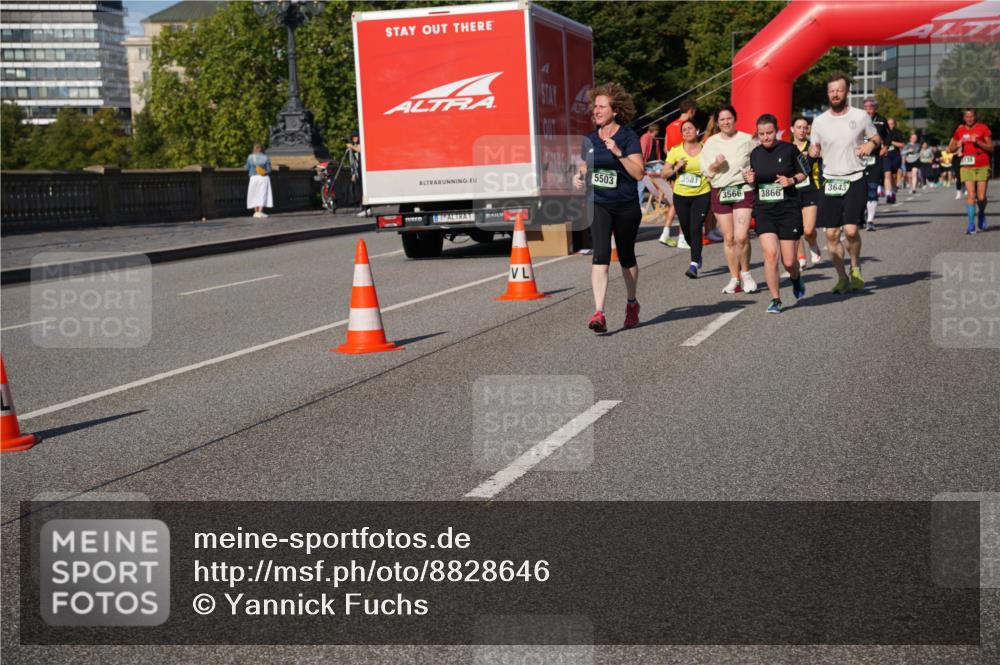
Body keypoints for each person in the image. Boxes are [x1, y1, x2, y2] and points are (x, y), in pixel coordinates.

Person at [573, 82, 645, 332]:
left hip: (626, 205)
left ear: (615, 111)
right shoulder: (590, 140)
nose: (597, 110)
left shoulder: (628, 137)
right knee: (601, 254)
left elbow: (638, 173)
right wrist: (579, 176)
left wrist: (618, 153)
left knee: (626, 257)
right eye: (595, 106)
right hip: (599, 203)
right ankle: (599, 312)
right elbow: (586, 166)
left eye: (602, 106)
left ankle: (632, 303)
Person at [808, 72, 880, 294]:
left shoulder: (860, 116)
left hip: (854, 177)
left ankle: (855, 267)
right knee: (830, 234)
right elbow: (814, 146)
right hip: (830, 180)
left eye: (839, 90)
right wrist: (813, 150)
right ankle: (841, 277)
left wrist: (870, 145)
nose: (835, 94)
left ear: (847, 91)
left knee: (850, 230)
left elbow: (876, 138)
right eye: (831, 91)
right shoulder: (819, 121)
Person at [745, 114, 810, 313]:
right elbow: (755, 181)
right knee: (770, 255)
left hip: (788, 208)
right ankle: (775, 299)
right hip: (764, 209)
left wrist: (791, 180)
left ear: (777, 131)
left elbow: (805, 170)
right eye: (762, 134)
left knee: (789, 261)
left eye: (769, 133)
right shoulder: (755, 153)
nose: (765, 137)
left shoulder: (789, 149)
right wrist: (749, 179)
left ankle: (795, 277)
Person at [701, 105, 758, 294]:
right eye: (722, 119)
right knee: (729, 238)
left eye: (729, 118)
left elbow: (758, 162)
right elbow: (705, 171)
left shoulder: (747, 139)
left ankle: (747, 274)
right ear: (717, 122)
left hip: (743, 189)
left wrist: (753, 175)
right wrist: (715, 164)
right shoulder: (710, 142)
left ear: (735, 119)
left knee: (742, 236)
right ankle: (734, 278)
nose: (726, 122)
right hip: (721, 191)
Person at [662, 118, 711, 278]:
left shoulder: (706, 149)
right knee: (687, 229)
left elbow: (713, 170)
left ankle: (694, 264)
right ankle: (697, 254)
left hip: (702, 194)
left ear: (697, 131)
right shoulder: (676, 151)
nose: (687, 131)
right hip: (681, 196)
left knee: (696, 227)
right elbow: (664, 173)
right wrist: (676, 167)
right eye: (684, 130)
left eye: (690, 128)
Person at [947, 108, 993, 233]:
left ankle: (982, 213)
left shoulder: (983, 128)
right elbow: (949, 149)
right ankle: (971, 224)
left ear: (975, 116)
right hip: (966, 165)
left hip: (982, 164)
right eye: (967, 117)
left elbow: (991, 147)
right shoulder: (959, 130)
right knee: (971, 195)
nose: (969, 119)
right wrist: (957, 145)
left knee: (981, 197)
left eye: (971, 116)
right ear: (964, 118)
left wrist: (977, 141)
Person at [659, 99, 698, 248]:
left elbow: (665, 149)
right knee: (685, 203)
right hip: (684, 168)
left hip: (671, 167)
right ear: (691, 111)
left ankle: (666, 232)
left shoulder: (669, 126)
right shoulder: (687, 127)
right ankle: (682, 237)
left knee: (676, 202)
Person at [790, 115, 823, 269]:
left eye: (805, 127)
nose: (802, 130)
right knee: (796, 228)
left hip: (810, 189)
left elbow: (822, 156)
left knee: (808, 230)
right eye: (799, 127)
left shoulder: (813, 146)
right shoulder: (786, 148)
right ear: (792, 129)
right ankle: (801, 258)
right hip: (793, 191)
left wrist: (814, 154)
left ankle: (813, 243)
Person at [862, 98, 889, 230]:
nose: (869, 108)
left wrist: (886, 146)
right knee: (860, 189)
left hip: (875, 157)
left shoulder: (882, 120)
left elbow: (888, 135)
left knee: (872, 188)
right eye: (866, 106)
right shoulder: (858, 119)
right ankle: (860, 217)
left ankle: (870, 220)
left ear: (875, 107)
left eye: (871, 106)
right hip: (859, 158)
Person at [245, 143, 273, 218]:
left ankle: (256, 212)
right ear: (262, 149)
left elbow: (247, 168)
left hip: (253, 177)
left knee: (254, 194)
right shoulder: (266, 157)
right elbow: (269, 169)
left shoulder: (250, 157)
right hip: (263, 177)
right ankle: (260, 211)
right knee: (262, 194)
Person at [638, 122, 662, 207]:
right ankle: (639, 205)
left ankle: (660, 200)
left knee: (660, 181)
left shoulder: (656, 140)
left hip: (655, 164)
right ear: (654, 130)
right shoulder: (645, 137)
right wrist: (641, 163)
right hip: (646, 164)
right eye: (657, 131)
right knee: (641, 185)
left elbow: (657, 153)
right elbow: (643, 150)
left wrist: (660, 161)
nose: (658, 133)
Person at [883, 117, 906, 204]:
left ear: (894, 124)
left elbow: (902, 145)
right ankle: (888, 194)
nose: (890, 125)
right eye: (888, 124)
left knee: (893, 176)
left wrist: (891, 142)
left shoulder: (898, 133)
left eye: (891, 124)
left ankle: (893, 193)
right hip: (886, 156)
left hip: (895, 156)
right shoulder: (883, 133)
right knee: (887, 174)